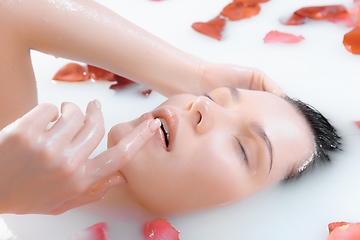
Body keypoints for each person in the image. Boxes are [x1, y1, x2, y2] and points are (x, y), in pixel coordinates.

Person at [0, 0, 284, 215]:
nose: (202, 106)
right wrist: (197, 75)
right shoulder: (16, 152)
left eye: (243, 150)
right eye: (213, 98)